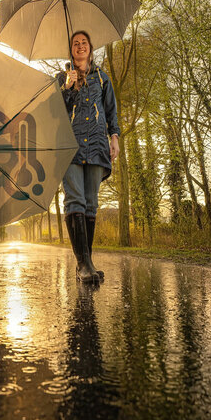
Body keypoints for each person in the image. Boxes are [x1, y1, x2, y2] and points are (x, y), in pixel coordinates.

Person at [57, 31, 120, 283]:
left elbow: (111, 111)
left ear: (90, 48)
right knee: (75, 199)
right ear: (71, 50)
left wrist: (114, 137)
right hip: (70, 144)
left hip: (96, 145)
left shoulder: (102, 79)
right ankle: (83, 264)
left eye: (84, 43)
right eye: (75, 43)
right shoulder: (62, 78)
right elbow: (55, 113)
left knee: (91, 203)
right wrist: (68, 89)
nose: (80, 46)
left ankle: (88, 262)